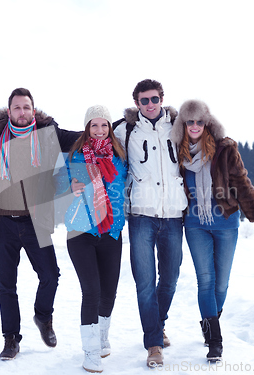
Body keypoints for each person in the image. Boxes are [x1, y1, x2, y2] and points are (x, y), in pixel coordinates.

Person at [0, 88, 79, 360]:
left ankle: (43, 316)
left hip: (35, 223)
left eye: (27, 107)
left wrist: (111, 127)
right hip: (1, 225)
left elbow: (82, 137)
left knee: (50, 275)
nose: (22, 112)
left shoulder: (47, 134)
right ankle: (10, 339)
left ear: (34, 110)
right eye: (17, 108)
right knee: (6, 285)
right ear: (9, 111)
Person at [171, 99, 254, 362]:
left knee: (222, 282)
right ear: (183, 123)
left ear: (207, 122)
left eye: (199, 121)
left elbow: (242, 183)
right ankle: (215, 340)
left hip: (225, 222)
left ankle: (209, 319)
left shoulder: (225, 149)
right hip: (194, 224)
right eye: (189, 121)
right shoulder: (177, 152)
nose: (194, 126)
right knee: (206, 279)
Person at [113, 79, 188, 368]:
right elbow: (103, 156)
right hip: (141, 215)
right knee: (144, 283)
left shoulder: (178, 125)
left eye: (154, 99)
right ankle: (154, 343)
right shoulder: (124, 130)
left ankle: (159, 323)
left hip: (172, 214)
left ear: (161, 99)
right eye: (143, 100)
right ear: (136, 103)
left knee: (169, 279)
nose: (150, 105)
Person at [56, 105, 127, 373]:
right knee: (92, 292)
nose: (99, 130)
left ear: (110, 128)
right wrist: (69, 187)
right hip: (80, 232)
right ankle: (90, 352)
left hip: (111, 232)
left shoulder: (120, 159)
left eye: (104, 125)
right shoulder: (74, 157)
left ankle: (102, 337)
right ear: (87, 128)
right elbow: (56, 185)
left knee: (109, 292)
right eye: (94, 125)